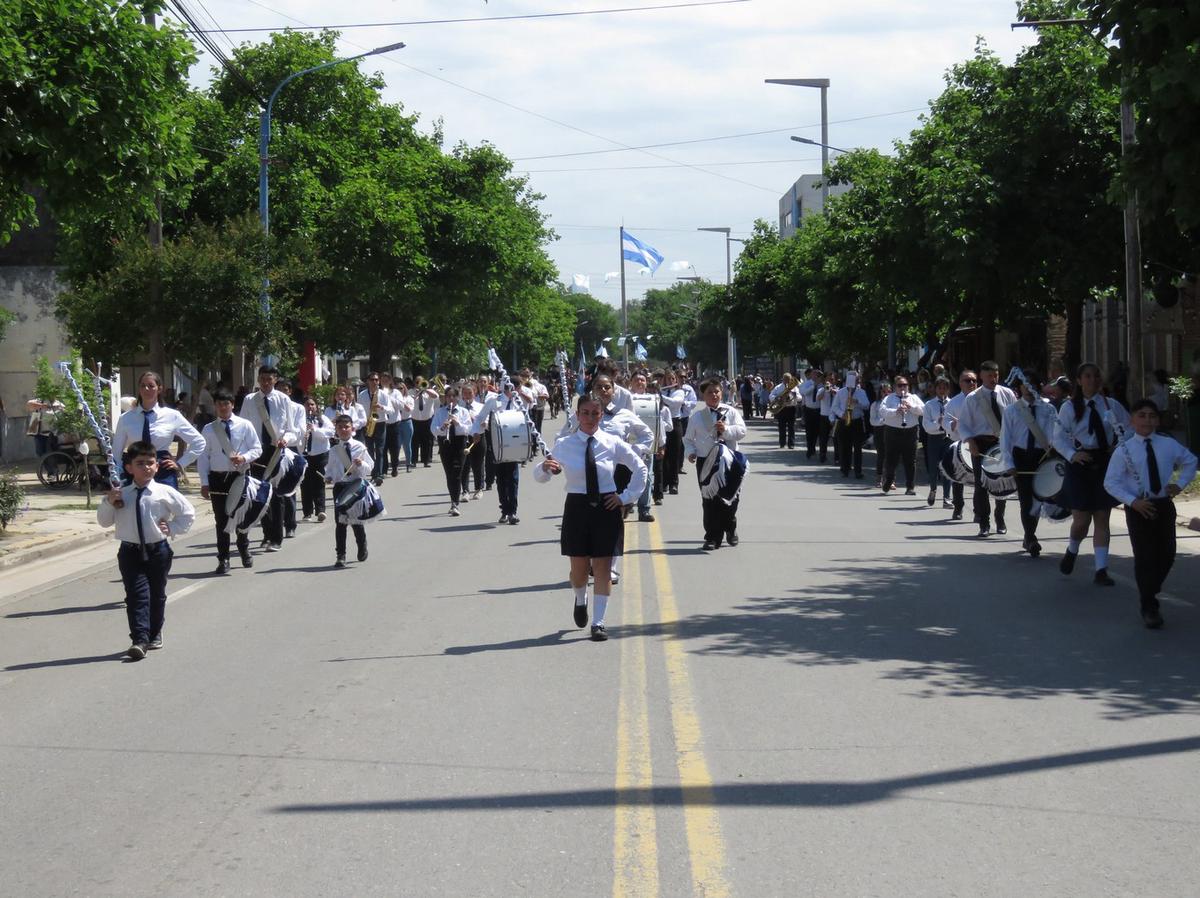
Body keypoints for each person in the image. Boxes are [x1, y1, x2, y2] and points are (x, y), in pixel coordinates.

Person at [534, 394, 647, 641]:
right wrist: (545, 468)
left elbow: (640, 467)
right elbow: (540, 475)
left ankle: (598, 623)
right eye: (585, 413)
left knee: (603, 568)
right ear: (577, 415)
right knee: (579, 570)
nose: (590, 418)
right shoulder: (565, 444)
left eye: (595, 413)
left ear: (601, 415)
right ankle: (580, 598)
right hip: (577, 506)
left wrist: (625, 497)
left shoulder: (612, 442)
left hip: (606, 507)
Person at [98, 440, 195, 660]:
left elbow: (188, 514)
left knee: (157, 595)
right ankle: (139, 640)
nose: (147, 467)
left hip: (158, 550)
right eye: (140, 463)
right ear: (129, 467)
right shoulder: (121, 493)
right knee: (136, 596)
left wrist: (172, 528)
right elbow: (104, 522)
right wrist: (108, 502)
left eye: (150, 463)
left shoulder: (164, 491)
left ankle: (154, 632)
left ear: (157, 466)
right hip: (130, 552)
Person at [1103, 399, 1197, 628]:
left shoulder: (1167, 444)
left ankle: (1150, 588)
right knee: (1145, 557)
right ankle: (1149, 606)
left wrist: (1180, 484)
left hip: (1163, 505)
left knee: (1167, 554)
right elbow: (1111, 483)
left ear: (1157, 420)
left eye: (1151, 416)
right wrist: (1133, 502)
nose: (1147, 420)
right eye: (1141, 415)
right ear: (1132, 420)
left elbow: (1191, 461)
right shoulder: (1124, 449)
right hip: (1139, 508)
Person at [1052, 362, 1131, 585]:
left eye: (1096, 376)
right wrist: (1072, 454)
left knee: (1102, 517)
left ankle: (1101, 570)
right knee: (1082, 521)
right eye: (1087, 376)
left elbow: (1130, 427)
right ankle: (1072, 549)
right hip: (1079, 464)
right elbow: (1057, 437)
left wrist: (1118, 447)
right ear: (1079, 380)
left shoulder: (1111, 405)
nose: (1093, 380)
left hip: (1104, 463)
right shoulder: (1069, 408)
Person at [197, 389, 262, 573]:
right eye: (219, 404)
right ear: (215, 407)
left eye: (226, 404)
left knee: (241, 516)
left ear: (232, 405)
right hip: (217, 479)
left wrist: (244, 457)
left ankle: (243, 548)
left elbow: (257, 449)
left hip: (239, 476)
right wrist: (204, 482)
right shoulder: (209, 429)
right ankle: (223, 559)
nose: (223, 407)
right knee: (221, 521)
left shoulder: (245, 425)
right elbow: (203, 457)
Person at [111, 371, 206, 490]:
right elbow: (116, 451)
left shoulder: (172, 416)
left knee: (165, 504)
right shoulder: (126, 418)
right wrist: (118, 475)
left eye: (151, 386)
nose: (146, 389)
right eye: (143, 386)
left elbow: (198, 441)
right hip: (135, 469)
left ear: (159, 389)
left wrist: (181, 463)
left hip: (162, 469)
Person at [238, 365, 298, 553]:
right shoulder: (249, 400)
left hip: (276, 451)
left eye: (269, 379)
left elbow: (292, 429)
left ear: (275, 379)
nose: (265, 382)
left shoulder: (284, 400)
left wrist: (285, 440)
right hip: (256, 452)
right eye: (262, 378)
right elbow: (242, 427)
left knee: (276, 495)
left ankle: (277, 538)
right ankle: (266, 534)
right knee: (260, 495)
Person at [684, 378, 747, 551]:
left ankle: (730, 528)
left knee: (731, 498)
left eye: (717, 391)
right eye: (710, 392)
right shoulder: (697, 417)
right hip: (707, 462)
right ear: (703, 395)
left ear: (722, 392)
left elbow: (742, 431)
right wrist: (690, 452)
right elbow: (688, 439)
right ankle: (712, 536)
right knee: (709, 500)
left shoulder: (731, 412)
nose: (714, 395)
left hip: (730, 460)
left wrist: (726, 430)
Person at [998, 371, 1057, 557]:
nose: (1028, 388)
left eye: (1032, 384)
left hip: (1042, 458)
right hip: (1021, 458)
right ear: (1019, 387)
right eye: (1025, 384)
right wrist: (1009, 463)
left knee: (1037, 500)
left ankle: (1029, 536)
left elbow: (1054, 434)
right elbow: (1005, 439)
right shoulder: (1012, 410)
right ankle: (1030, 537)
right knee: (1026, 499)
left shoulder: (1048, 409)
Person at [955, 361, 1016, 537]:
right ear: (981, 376)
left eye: (996, 375)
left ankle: (1000, 517)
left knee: (1001, 481)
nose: (993, 379)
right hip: (981, 443)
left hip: (1002, 443)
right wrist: (970, 442)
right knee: (981, 484)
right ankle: (984, 522)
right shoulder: (973, 397)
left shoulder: (1007, 394)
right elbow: (964, 424)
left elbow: (1014, 419)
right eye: (989, 375)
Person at [325, 414, 372, 568]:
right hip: (340, 487)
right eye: (340, 427)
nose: (344, 430)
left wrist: (360, 464)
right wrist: (328, 477)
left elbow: (369, 467)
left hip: (355, 486)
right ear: (336, 430)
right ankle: (341, 555)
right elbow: (330, 469)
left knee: (356, 520)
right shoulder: (334, 450)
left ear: (352, 429)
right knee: (340, 522)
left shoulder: (360, 446)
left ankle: (362, 544)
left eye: (346, 427)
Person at [629, 371, 671, 521]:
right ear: (631, 382)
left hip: (647, 445)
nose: (640, 382)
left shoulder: (654, 399)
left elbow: (657, 423)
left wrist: (661, 444)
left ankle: (644, 509)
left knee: (646, 477)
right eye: (636, 380)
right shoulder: (625, 399)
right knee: (627, 476)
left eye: (642, 380)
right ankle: (626, 504)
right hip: (628, 445)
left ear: (646, 383)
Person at [880, 374, 926, 495]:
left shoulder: (913, 397)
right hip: (892, 431)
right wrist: (896, 411)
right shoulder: (889, 398)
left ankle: (910, 487)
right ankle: (889, 480)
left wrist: (911, 407)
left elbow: (924, 410)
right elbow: (882, 411)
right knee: (891, 459)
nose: (903, 388)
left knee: (910, 460)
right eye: (900, 385)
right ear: (895, 386)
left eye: (905, 385)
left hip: (910, 431)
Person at [434, 385, 474, 516]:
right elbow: (433, 429)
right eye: (448, 396)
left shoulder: (463, 412)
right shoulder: (440, 412)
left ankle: (455, 503)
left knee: (457, 473)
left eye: (453, 396)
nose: (451, 399)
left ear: (457, 398)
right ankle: (453, 500)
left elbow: (468, 429)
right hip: (445, 444)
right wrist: (442, 427)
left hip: (459, 444)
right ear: (445, 398)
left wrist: (457, 424)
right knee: (449, 474)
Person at [944, 370, 976, 519]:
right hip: (959, 442)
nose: (971, 383)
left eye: (973, 380)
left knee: (979, 480)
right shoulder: (954, 402)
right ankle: (958, 507)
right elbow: (944, 421)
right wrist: (953, 424)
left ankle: (979, 511)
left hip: (978, 443)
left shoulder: (982, 399)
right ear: (960, 383)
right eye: (967, 381)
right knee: (958, 478)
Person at [300, 396, 334, 524]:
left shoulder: (322, 419)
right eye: (308, 405)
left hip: (321, 454)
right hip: (305, 455)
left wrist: (315, 429)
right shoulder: (300, 419)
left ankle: (320, 510)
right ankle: (307, 512)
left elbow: (330, 432)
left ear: (316, 406)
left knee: (320, 482)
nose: (310, 407)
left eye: (312, 405)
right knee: (305, 484)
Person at [830, 372, 870, 479]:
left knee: (858, 448)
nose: (856, 382)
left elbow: (866, 406)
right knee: (844, 447)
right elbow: (834, 407)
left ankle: (858, 471)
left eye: (857, 380)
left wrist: (857, 401)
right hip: (844, 421)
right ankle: (845, 469)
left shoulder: (861, 392)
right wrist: (840, 414)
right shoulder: (841, 392)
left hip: (856, 421)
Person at [921, 377, 953, 507]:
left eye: (945, 388)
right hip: (934, 438)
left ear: (948, 389)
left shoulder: (952, 403)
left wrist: (948, 425)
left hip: (948, 438)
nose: (942, 390)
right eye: (939, 388)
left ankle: (947, 497)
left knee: (947, 468)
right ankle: (933, 489)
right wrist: (938, 423)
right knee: (933, 467)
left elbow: (955, 421)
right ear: (935, 389)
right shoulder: (929, 405)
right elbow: (926, 425)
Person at [357, 372, 389, 486]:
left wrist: (382, 407)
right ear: (368, 381)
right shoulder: (362, 394)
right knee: (369, 450)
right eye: (372, 380)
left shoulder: (383, 394)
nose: (374, 382)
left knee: (380, 450)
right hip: (368, 423)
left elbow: (391, 410)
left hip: (380, 423)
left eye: (376, 380)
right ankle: (373, 472)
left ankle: (378, 474)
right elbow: (358, 409)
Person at [410, 377, 439, 468]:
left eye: (420, 382)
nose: (419, 383)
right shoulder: (410, 392)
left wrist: (425, 389)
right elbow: (409, 400)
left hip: (427, 420)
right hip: (414, 420)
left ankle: (425, 461)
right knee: (414, 441)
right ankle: (413, 461)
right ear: (414, 383)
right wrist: (417, 393)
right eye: (417, 382)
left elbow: (436, 396)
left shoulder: (429, 391)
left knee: (426, 441)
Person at [869, 382, 892, 490]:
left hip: (892, 431)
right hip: (879, 431)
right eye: (884, 391)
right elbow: (872, 421)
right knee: (881, 455)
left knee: (892, 456)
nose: (886, 393)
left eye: (888, 391)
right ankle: (879, 478)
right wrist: (882, 421)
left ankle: (890, 480)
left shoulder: (894, 403)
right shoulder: (875, 404)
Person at [769, 373, 800, 449]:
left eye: (788, 379)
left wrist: (795, 395)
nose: (786, 381)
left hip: (791, 408)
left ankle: (791, 444)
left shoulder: (794, 388)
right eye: (785, 379)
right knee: (781, 427)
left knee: (791, 427)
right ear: (783, 379)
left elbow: (800, 398)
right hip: (782, 409)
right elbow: (771, 395)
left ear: (791, 379)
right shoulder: (778, 387)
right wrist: (776, 398)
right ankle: (782, 443)